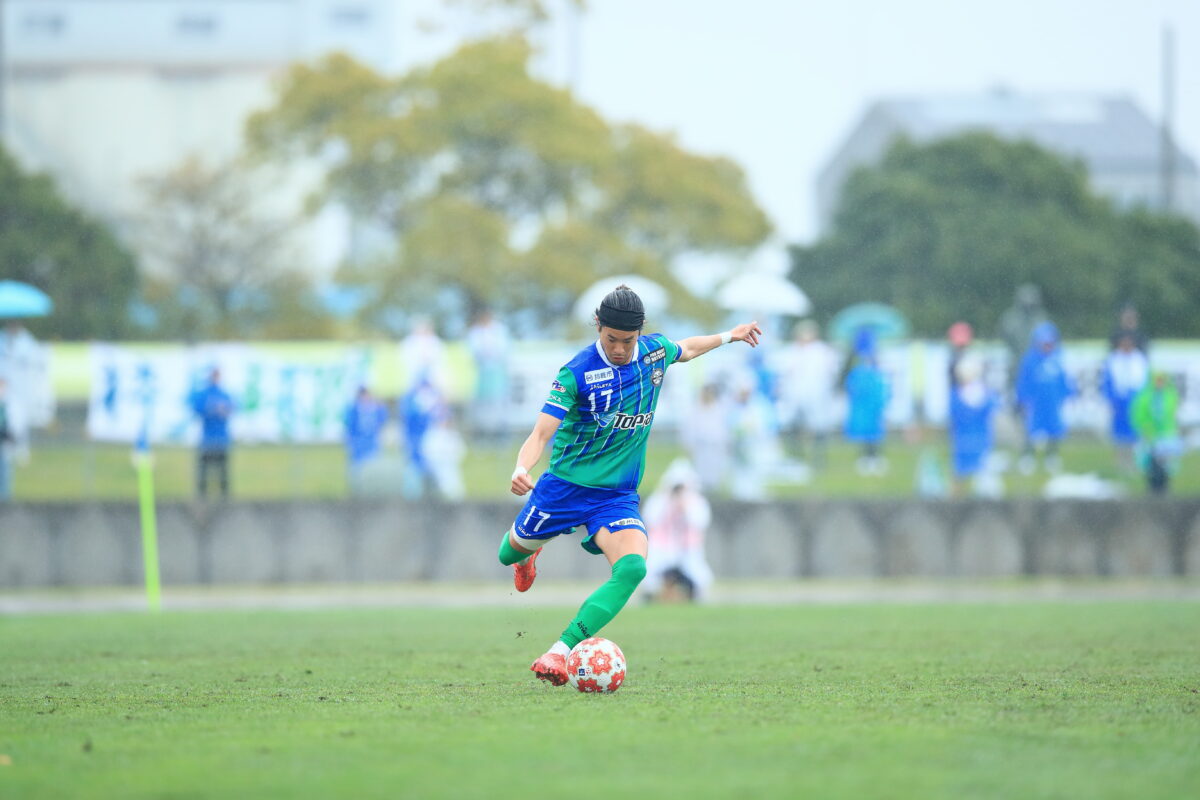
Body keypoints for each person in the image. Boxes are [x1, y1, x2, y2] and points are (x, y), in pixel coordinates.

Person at [498, 284, 762, 686]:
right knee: (506, 553)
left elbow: (686, 347)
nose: (620, 348)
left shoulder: (653, 353)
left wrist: (730, 335)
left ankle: (559, 652)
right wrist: (521, 468)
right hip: (563, 488)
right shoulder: (576, 372)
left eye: (628, 340)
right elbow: (540, 434)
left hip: (616, 498)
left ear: (640, 334)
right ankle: (526, 557)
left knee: (634, 568)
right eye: (611, 339)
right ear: (598, 327)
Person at [641, 459, 714, 603]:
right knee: (650, 575)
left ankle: (693, 595)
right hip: (662, 548)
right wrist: (668, 502)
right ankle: (652, 596)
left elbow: (700, 522)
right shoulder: (659, 500)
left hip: (688, 549)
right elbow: (650, 519)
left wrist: (685, 505)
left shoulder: (697, 502)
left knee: (700, 577)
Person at [775, 319, 840, 469]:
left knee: (819, 427)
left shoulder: (822, 352)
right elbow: (784, 374)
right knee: (794, 427)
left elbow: (830, 373)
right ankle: (796, 458)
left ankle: (819, 460)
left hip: (816, 396)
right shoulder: (791, 352)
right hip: (795, 397)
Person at [1015, 322, 1074, 474]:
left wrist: (1066, 395)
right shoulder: (1030, 360)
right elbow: (1023, 381)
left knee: (1054, 429)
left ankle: (1051, 456)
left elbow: (1064, 380)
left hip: (1053, 403)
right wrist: (1023, 399)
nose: (1047, 346)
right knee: (1031, 430)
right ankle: (1028, 456)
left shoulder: (1058, 359)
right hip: (1036, 404)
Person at [948, 355, 999, 496]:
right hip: (977, 439)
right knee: (979, 477)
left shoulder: (956, 395)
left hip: (966, 440)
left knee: (964, 476)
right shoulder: (985, 393)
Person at [843, 327, 890, 476]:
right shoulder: (858, 365)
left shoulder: (872, 366)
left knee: (874, 431)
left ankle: (873, 457)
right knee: (866, 431)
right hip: (865, 403)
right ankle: (866, 458)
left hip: (871, 403)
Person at [1100, 333, 1149, 474]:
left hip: (1135, 402)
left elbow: (1144, 382)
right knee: (1119, 435)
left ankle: (1135, 462)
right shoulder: (1113, 360)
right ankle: (1120, 462)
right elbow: (1107, 383)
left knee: (1135, 433)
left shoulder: (1139, 360)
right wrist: (1111, 399)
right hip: (1119, 402)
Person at [1131, 370, 1182, 495]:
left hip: (1166, 435)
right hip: (1150, 435)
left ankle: (1164, 486)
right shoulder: (1145, 397)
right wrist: (1146, 428)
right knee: (1150, 462)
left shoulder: (1170, 395)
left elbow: (1172, 415)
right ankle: (1152, 486)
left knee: (1166, 463)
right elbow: (1138, 414)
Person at [465, 308, 512, 441]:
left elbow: (504, 349)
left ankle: (500, 434)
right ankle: (482, 434)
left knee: (498, 403)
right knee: (482, 405)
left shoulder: (499, 330)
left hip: (497, 370)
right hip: (482, 371)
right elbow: (473, 351)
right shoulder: (476, 332)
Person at [189, 367, 235, 499]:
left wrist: (223, 410)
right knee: (203, 474)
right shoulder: (204, 394)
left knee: (223, 473)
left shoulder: (224, 394)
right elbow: (197, 408)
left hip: (221, 439)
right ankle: (201, 499)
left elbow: (233, 407)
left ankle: (224, 499)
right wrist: (213, 409)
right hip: (207, 439)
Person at [680, 383, 732, 493]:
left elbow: (724, 430)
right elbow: (689, 431)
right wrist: (690, 446)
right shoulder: (694, 410)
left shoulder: (720, 409)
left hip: (715, 448)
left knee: (715, 475)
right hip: (700, 449)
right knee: (699, 477)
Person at [343, 386, 389, 496]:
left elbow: (383, 419)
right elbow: (349, 427)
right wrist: (351, 442)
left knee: (373, 474)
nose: (366, 397)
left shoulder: (375, 408)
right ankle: (356, 495)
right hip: (358, 447)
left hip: (372, 445)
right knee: (357, 474)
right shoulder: (354, 409)